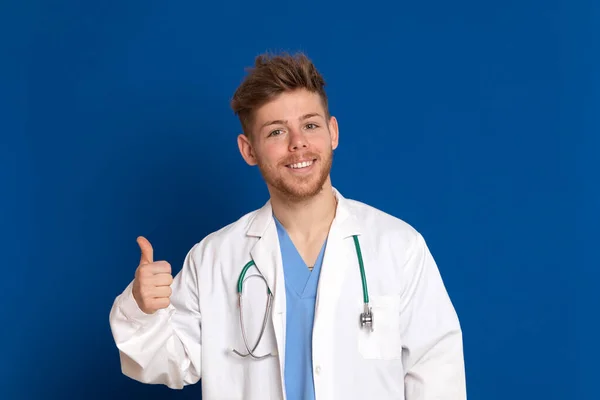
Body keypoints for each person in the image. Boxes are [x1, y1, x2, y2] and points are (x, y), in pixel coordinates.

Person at [109, 52, 466, 400]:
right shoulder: (215, 258)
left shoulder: (398, 247)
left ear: (333, 132)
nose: (298, 143)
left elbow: (436, 373)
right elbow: (167, 362)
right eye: (277, 132)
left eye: (310, 125)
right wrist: (142, 308)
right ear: (249, 150)